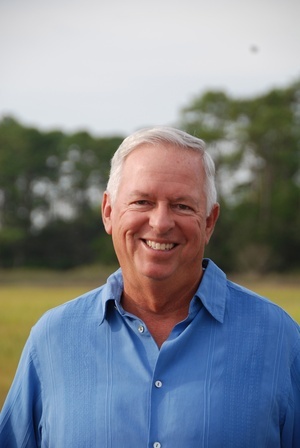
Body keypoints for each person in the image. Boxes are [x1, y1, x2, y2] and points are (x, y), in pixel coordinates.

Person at [0, 127, 299, 447]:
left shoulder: (279, 339)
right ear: (109, 212)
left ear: (209, 221)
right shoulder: (53, 339)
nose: (160, 223)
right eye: (142, 201)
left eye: (182, 205)